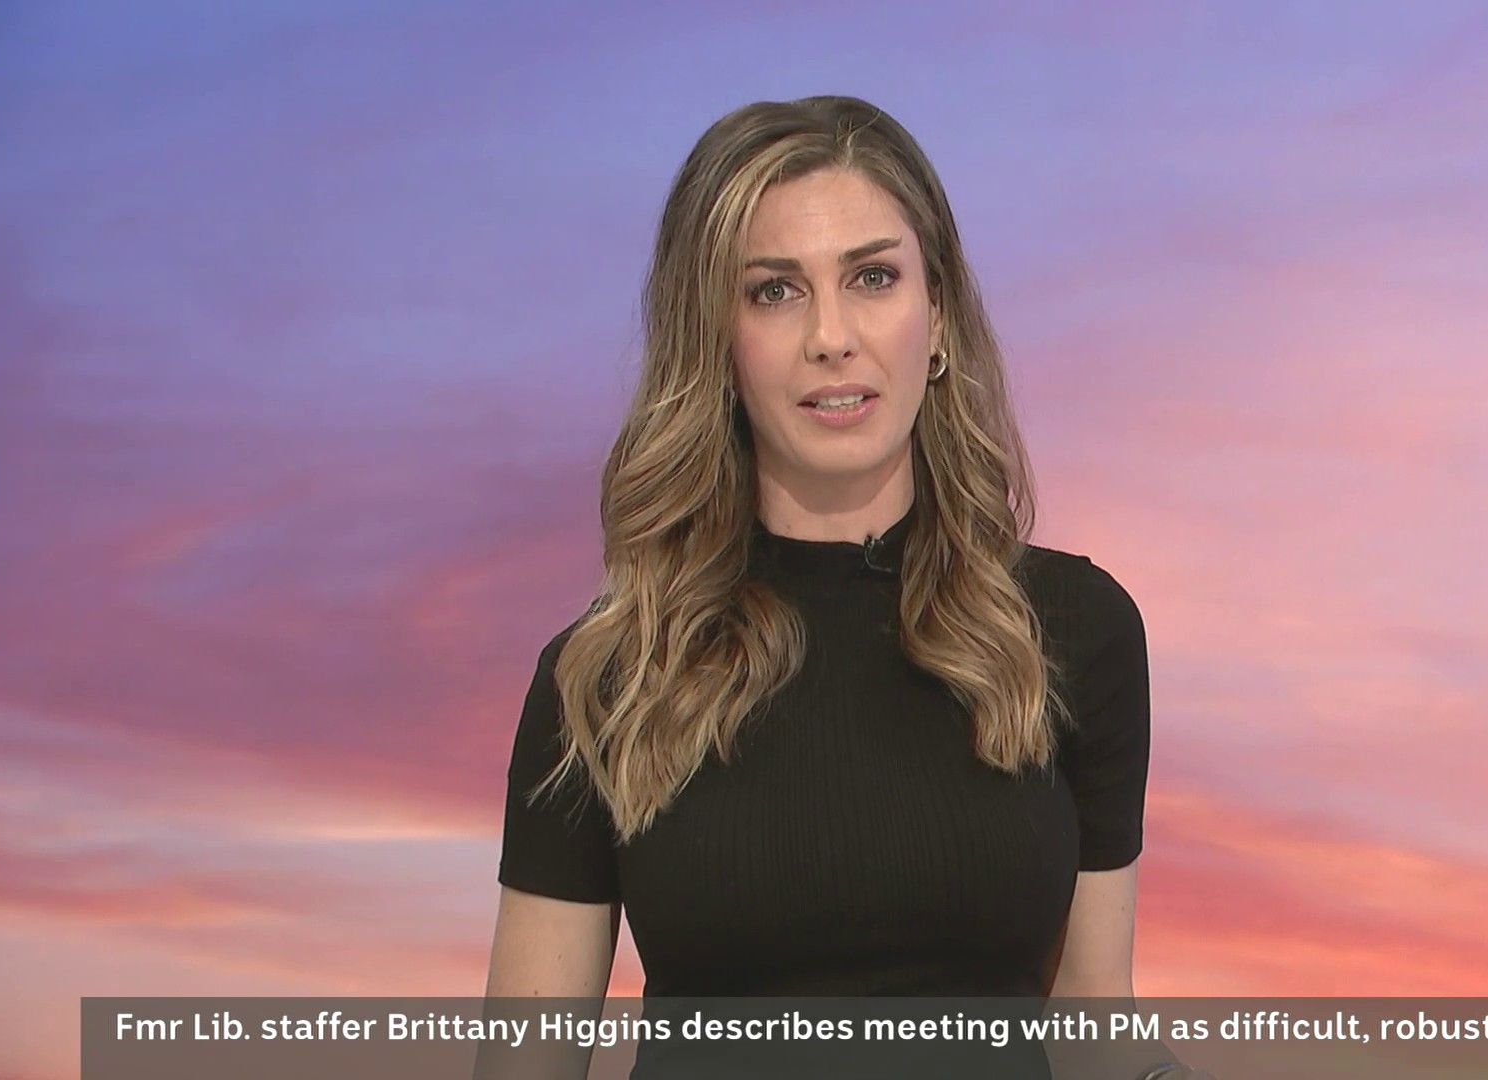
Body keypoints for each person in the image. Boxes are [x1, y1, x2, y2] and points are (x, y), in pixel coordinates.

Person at [479, 95, 1195, 1080]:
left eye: (873, 277)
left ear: (938, 321)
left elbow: (1090, 1027)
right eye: (774, 290)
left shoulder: (1074, 630)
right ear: (716, 343)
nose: (831, 335)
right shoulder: (609, 674)